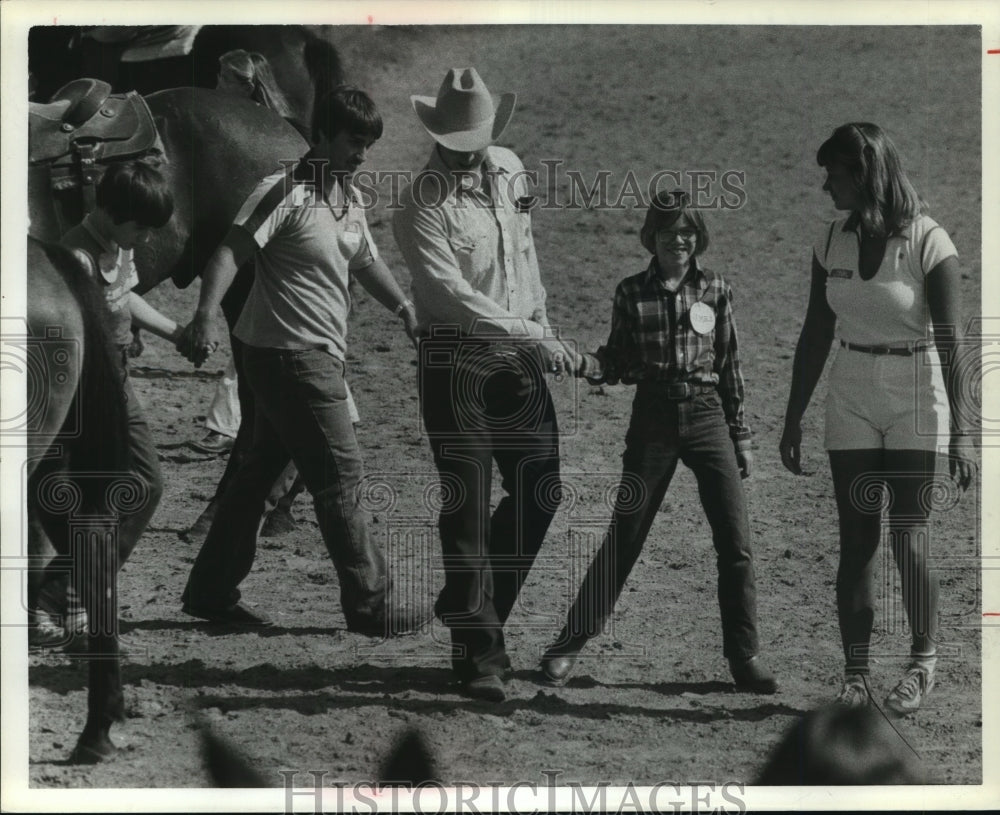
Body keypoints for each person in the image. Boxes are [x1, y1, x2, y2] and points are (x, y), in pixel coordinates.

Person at [176, 87, 424, 637]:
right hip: (290, 357)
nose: (362, 154)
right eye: (354, 141)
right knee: (341, 475)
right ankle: (371, 604)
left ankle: (210, 592)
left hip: (311, 356)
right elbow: (230, 250)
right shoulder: (283, 190)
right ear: (322, 136)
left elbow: (365, 259)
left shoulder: (347, 196)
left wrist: (404, 308)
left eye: (368, 144)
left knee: (259, 475)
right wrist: (205, 315)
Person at [537, 189, 777, 695]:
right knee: (626, 533)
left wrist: (741, 434)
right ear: (652, 236)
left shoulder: (716, 289)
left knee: (735, 542)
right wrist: (586, 364)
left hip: (708, 417)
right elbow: (620, 360)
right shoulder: (631, 292)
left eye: (688, 231)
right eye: (668, 231)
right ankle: (568, 645)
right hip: (653, 418)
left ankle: (745, 655)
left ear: (699, 236)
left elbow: (729, 363)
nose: (679, 240)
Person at [393, 67, 579, 702]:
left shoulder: (511, 168)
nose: (470, 154)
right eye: (458, 144)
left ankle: (468, 604)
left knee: (541, 489)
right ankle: (481, 654)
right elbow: (454, 296)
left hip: (520, 351)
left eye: (476, 142)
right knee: (468, 508)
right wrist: (535, 336)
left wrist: (542, 320)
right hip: (457, 360)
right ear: (436, 137)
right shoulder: (419, 206)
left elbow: (524, 253)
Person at [778, 122, 976, 715]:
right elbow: (815, 333)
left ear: (864, 174)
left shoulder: (929, 242)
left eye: (834, 175)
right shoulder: (830, 241)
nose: (826, 187)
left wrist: (964, 432)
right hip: (851, 391)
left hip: (916, 392)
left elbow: (953, 344)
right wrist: (793, 417)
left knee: (909, 538)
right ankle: (856, 677)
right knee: (857, 541)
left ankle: (922, 662)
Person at [30, 160, 181, 644]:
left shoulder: (119, 245)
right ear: (113, 213)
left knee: (147, 483)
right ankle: (64, 591)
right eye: (140, 227)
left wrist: (176, 333)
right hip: (84, 383)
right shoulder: (77, 256)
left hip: (117, 377)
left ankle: (63, 586)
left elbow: (125, 297)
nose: (145, 238)